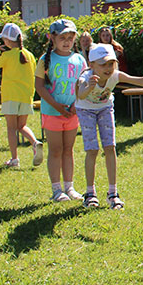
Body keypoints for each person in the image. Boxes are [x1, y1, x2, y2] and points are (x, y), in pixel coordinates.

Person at [75, 44, 143, 209]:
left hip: (105, 108)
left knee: (110, 147)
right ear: (91, 65)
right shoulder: (86, 77)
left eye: (110, 64)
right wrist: (89, 87)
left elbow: (139, 80)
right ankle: (90, 193)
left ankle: (113, 193)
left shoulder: (115, 75)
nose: (108, 68)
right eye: (103, 64)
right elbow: (80, 94)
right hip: (86, 110)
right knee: (92, 150)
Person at [35, 18, 87, 202]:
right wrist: (56, 106)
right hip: (52, 112)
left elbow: (84, 84)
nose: (66, 42)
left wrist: (76, 103)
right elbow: (39, 86)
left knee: (68, 150)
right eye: (62, 37)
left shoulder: (79, 59)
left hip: (72, 113)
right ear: (53, 39)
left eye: (70, 38)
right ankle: (57, 189)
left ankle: (70, 187)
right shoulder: (45, 60)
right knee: (55, 150)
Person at [0, 23, 42, 168]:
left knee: (11, 128)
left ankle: (14, 159)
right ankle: (34, 142)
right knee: (22, 125)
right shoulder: (30, 55)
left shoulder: (6, 55)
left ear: (7, 41)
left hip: (10, 96)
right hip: (26, 96)